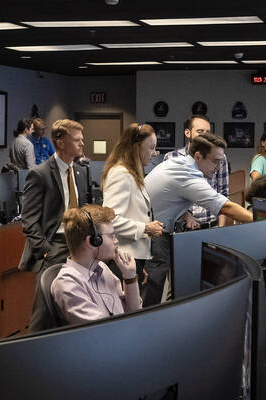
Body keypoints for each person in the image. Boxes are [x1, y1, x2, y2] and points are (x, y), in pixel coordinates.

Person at [144, 133, 254, 304]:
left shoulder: (178, 163)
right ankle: (148, 327)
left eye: (221, 161)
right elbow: (225, 206)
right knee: (152, 292)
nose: (218, 167)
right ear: (198, 156)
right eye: (215, 161)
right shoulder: (188, 175)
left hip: (152, 228)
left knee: (158, 289)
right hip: (152, 234)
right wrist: (260, 220)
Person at [18, 118, 91, 331]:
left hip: (79, 244)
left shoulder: (80, 171)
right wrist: (45, 251)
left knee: (78, 306)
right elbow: (28, 221)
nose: (81, 144)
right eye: (77, 140)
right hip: (54, 246)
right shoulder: (40, 174)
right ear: (60, 142)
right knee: (43, 314)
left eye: (82, 140)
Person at [51, 204, 141, 324]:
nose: (116, 241)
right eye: (111, 236)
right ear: (93, 241)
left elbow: (134, 312)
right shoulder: (68, 284)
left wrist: (130, 276)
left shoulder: (102, 269)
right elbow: (104, 333)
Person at [100, 123, 165, 280]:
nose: (154, 153)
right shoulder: (121, 174)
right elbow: (110, 219)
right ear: (136, 147)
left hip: (132, 258)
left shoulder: (132, 174)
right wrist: (145, 228)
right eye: (151, 147)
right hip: (123, 258)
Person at [165, 115, 230, 229]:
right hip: (184, 228)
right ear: (187, 133)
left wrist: (221, 228)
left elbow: (223, 194)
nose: (204, 136)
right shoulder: (172, 158)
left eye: (208, 132)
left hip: (212, 226)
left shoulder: (220, 157)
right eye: (200, 131)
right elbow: (170, 198)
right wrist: (186, 215)